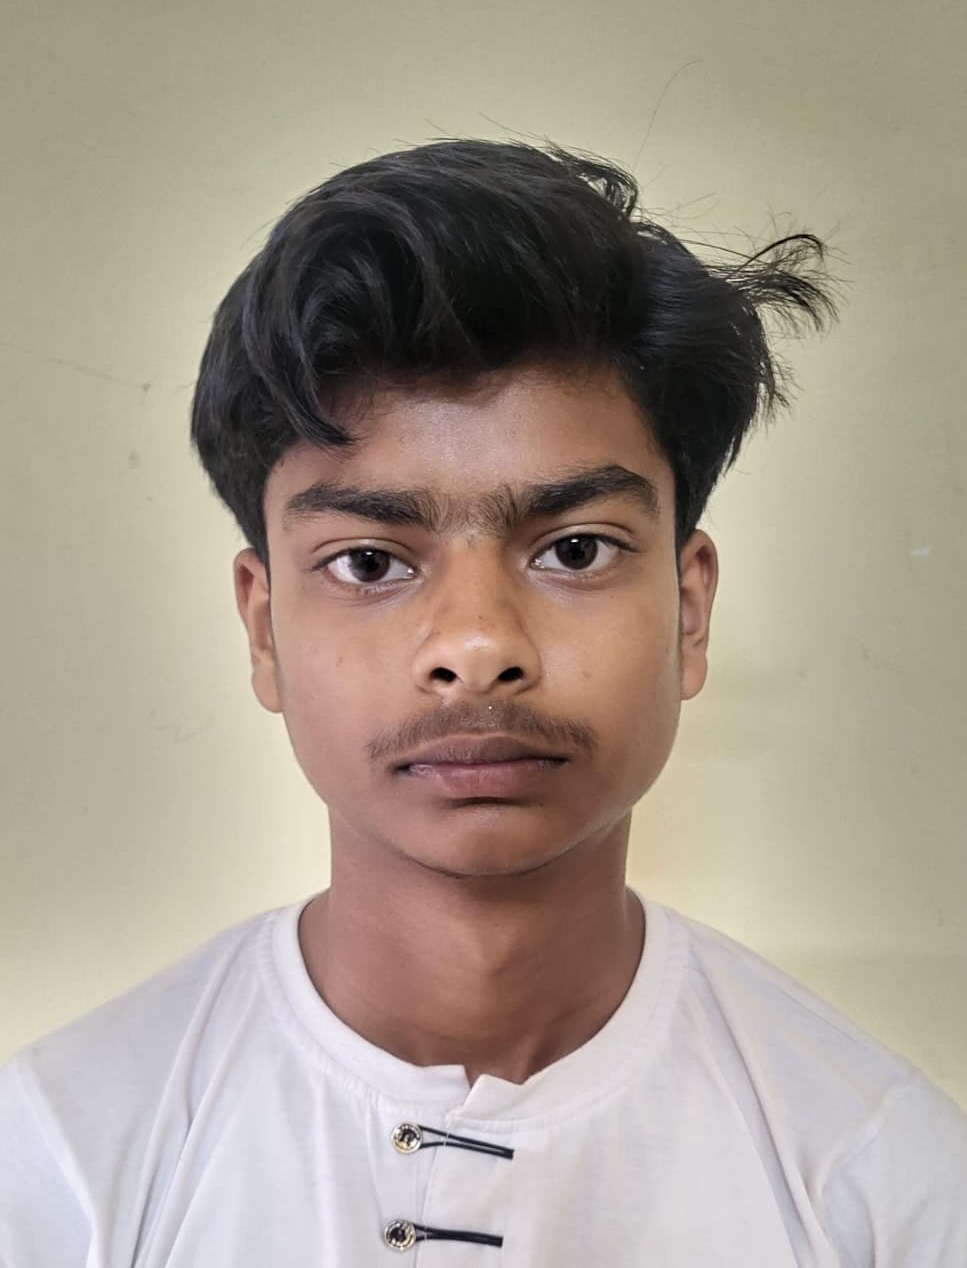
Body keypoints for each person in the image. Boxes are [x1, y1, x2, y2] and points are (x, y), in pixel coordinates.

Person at [2, 139, 965, 1267]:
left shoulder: (883, 1184)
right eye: (369, 562)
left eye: (574, 549)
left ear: (688, 609)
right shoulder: (57, 1168)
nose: (476, 646)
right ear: (263, 627)